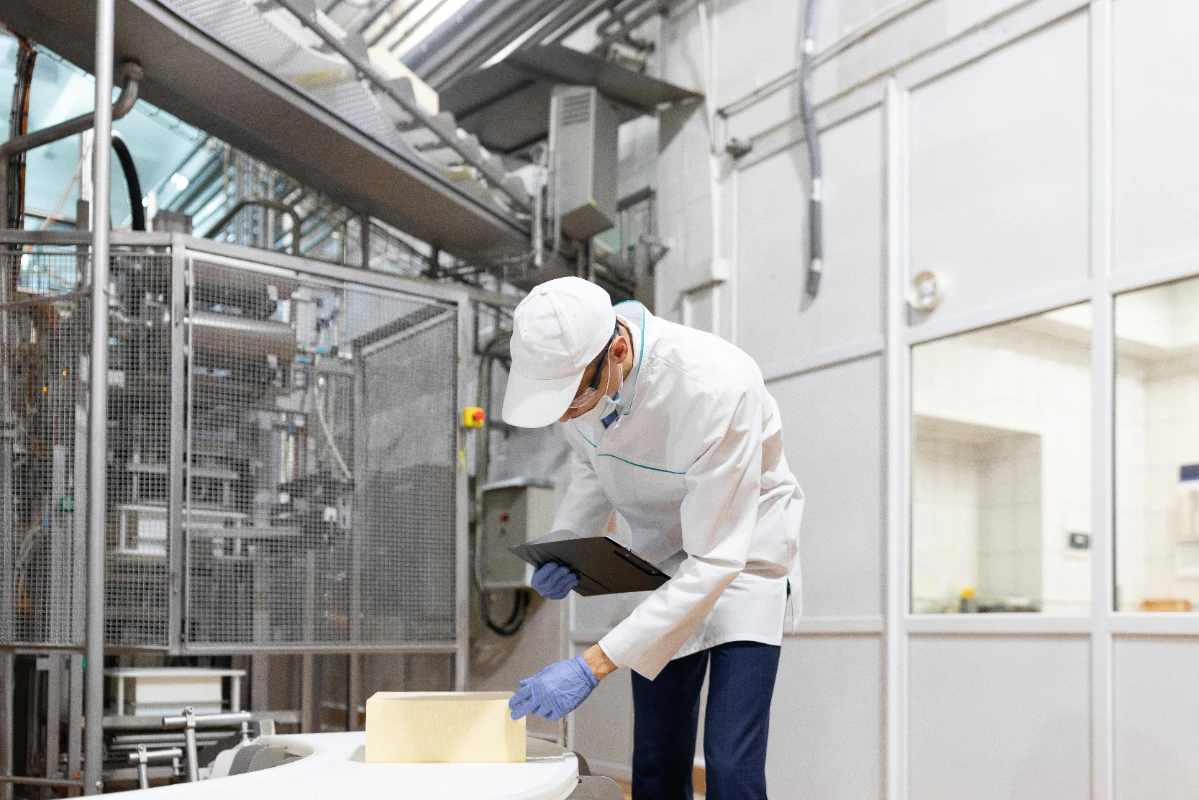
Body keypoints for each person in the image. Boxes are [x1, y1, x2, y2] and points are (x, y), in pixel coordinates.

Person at [502, 277, 803, 800]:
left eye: (574, 401)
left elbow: (714, 560)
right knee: (657, 763)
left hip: (744, 557)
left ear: (618, 350)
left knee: (731, 766)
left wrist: (591, 664)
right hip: (663, 560)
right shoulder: (581, 380)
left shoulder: (717, 383)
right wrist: (568, 540)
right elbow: (590, 465)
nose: (569, 414)